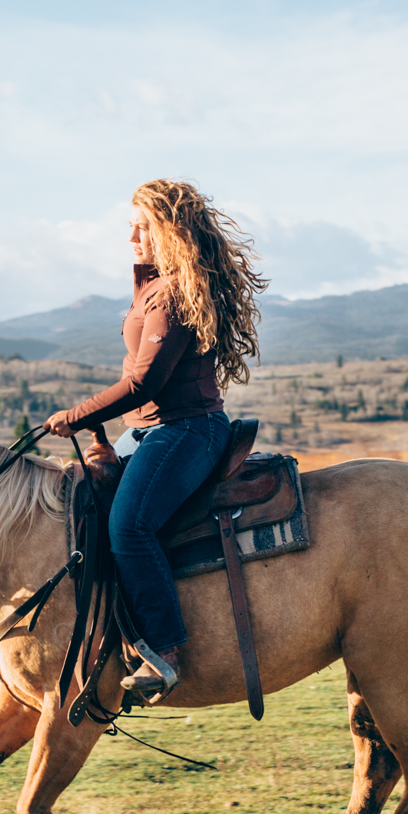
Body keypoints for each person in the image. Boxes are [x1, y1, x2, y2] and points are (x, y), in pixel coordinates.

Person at [46, 179, 265, 700]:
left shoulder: (171, 295)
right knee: (81, 509)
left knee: (129, 527)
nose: (131, 238)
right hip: (148, 431)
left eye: (142, 227)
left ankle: (164, 651)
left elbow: (145, 382)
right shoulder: (155, 288)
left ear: (170, 231)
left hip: (184, 430)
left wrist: (77, 415)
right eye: (131, 227)